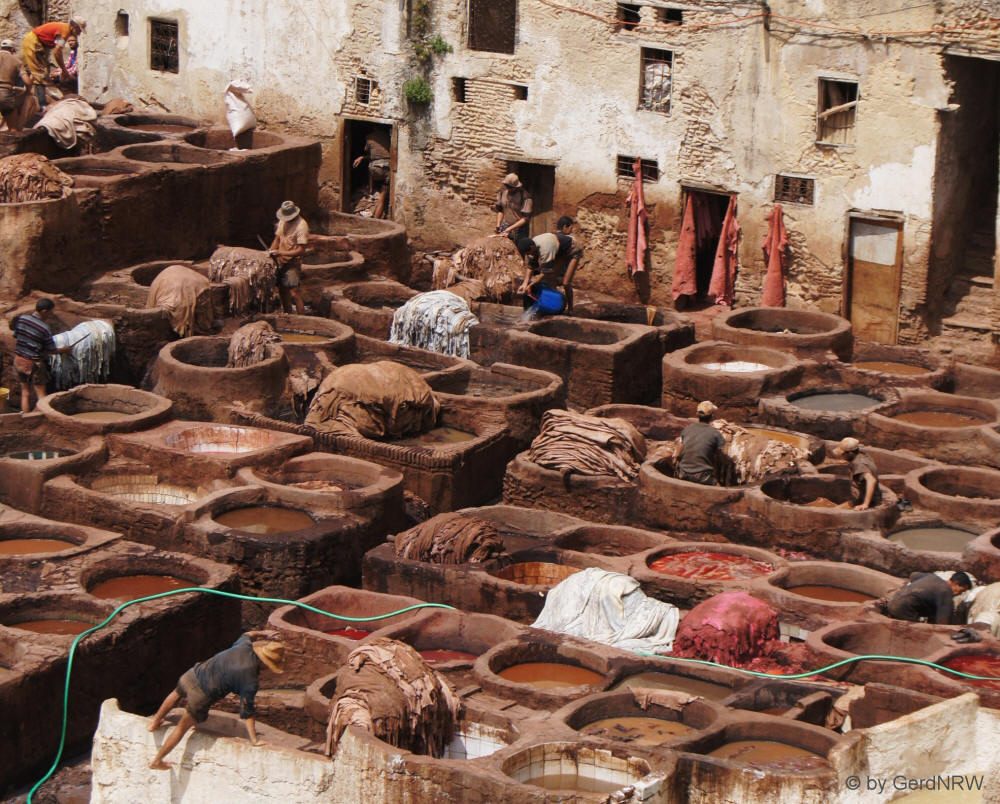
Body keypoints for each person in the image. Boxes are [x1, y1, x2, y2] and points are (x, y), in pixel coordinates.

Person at [148, 632, 284, 770]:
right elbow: (247, 712)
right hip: (201, 695)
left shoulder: (244, 645)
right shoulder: (250, 679)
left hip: (193, 674)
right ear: (266, 664)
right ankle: (157, 761)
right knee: (181, 728)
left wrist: (264, 634)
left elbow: (248, 634)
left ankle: (154, 722)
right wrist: (254, 740)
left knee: (176, 693)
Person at [10, 298, 73, 413]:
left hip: (19, 360)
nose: (51, 315)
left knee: (25, 392)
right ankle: (40, 420)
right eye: (51, 312)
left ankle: (25, 418)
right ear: (44, 311)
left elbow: (16, 336)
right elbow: (51, 350)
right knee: (41, 394)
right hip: (34, 364)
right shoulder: (44, 328)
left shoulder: (22, 319)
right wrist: (65, 349)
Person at [516, 215, 583, 314]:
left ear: (531, 247)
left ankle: (570, 309)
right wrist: (525, 283)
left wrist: (532, 284)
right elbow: (531, 266)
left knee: (566, 282)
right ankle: (553, 302)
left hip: (573, 249)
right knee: (551, 279)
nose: (529, 255)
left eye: (529, 253)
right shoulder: (532, 246)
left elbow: (545, 272)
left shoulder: (545, 249)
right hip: (560, 250)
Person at [21, 18, 84, 107]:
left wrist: (63, 70)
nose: (80, 33)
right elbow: (57, 52)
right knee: (39, 74)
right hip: (33, 42)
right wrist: (64, 70)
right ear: (74, 27)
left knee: (37, 72)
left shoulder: (64, 29)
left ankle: (28, 96)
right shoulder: (65, 31)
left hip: (36, 41)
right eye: (79, 30)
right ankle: (41, 104)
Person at [886, 571, 972, 625]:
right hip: (902, 609)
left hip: (892, 602)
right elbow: (942, 623)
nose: (959, 594)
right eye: (961, 591)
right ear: (956, 583)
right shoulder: (946, 592)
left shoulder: (932, 577)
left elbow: (913, 575)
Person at [268, 200, 308, 315]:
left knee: (294, 292)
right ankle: (288, 316)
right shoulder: (283, 221)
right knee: (282, 290)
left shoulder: (301, 226)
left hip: (293, 262)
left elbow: (301, 250)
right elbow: (277, 239)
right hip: (281, 260)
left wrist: (281, 253)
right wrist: (271, 251)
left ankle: (302, 320)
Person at [676, 400, 726, 485]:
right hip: (702, 476)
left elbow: (677, 454)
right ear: (712, 416)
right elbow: (720, 457)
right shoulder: (715, 433)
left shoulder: (687, 429)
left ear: (697, 415)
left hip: (683, 473)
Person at [832, 437, 880, 510]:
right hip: (866, 495)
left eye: (843, 454)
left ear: (850, 453)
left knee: (834, 511)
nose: (842, 456)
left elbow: (871, 480)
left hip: (867, 500)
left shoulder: (859, 465)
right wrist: (849, 462)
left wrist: (865, 504)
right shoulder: (862, 455)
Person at [352, 130, 391, 219]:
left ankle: (370, 189)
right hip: (387, 169)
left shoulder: (369, 137)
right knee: (382, 197)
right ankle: (376, 219)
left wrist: (362, 157)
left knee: (371, 166)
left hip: (374, 169)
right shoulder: (389, 137)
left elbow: (372, 155)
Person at [0, 39, 31, 131]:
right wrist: (28, 92)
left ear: (1, 48)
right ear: (13, 50)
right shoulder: (17, 61)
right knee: (13, 129)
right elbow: (27, 82)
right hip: (4, 95)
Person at [494, 173, 532, 243]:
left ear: (516, 187)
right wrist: (498, 225)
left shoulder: (525, 197)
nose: (509, 189)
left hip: (520, 230)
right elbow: (500, 210)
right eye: (507, 187)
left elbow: (525, 218)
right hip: (506, 226)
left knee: (519, 251)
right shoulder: (502, 193)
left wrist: (511, 228)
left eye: (511, 187)